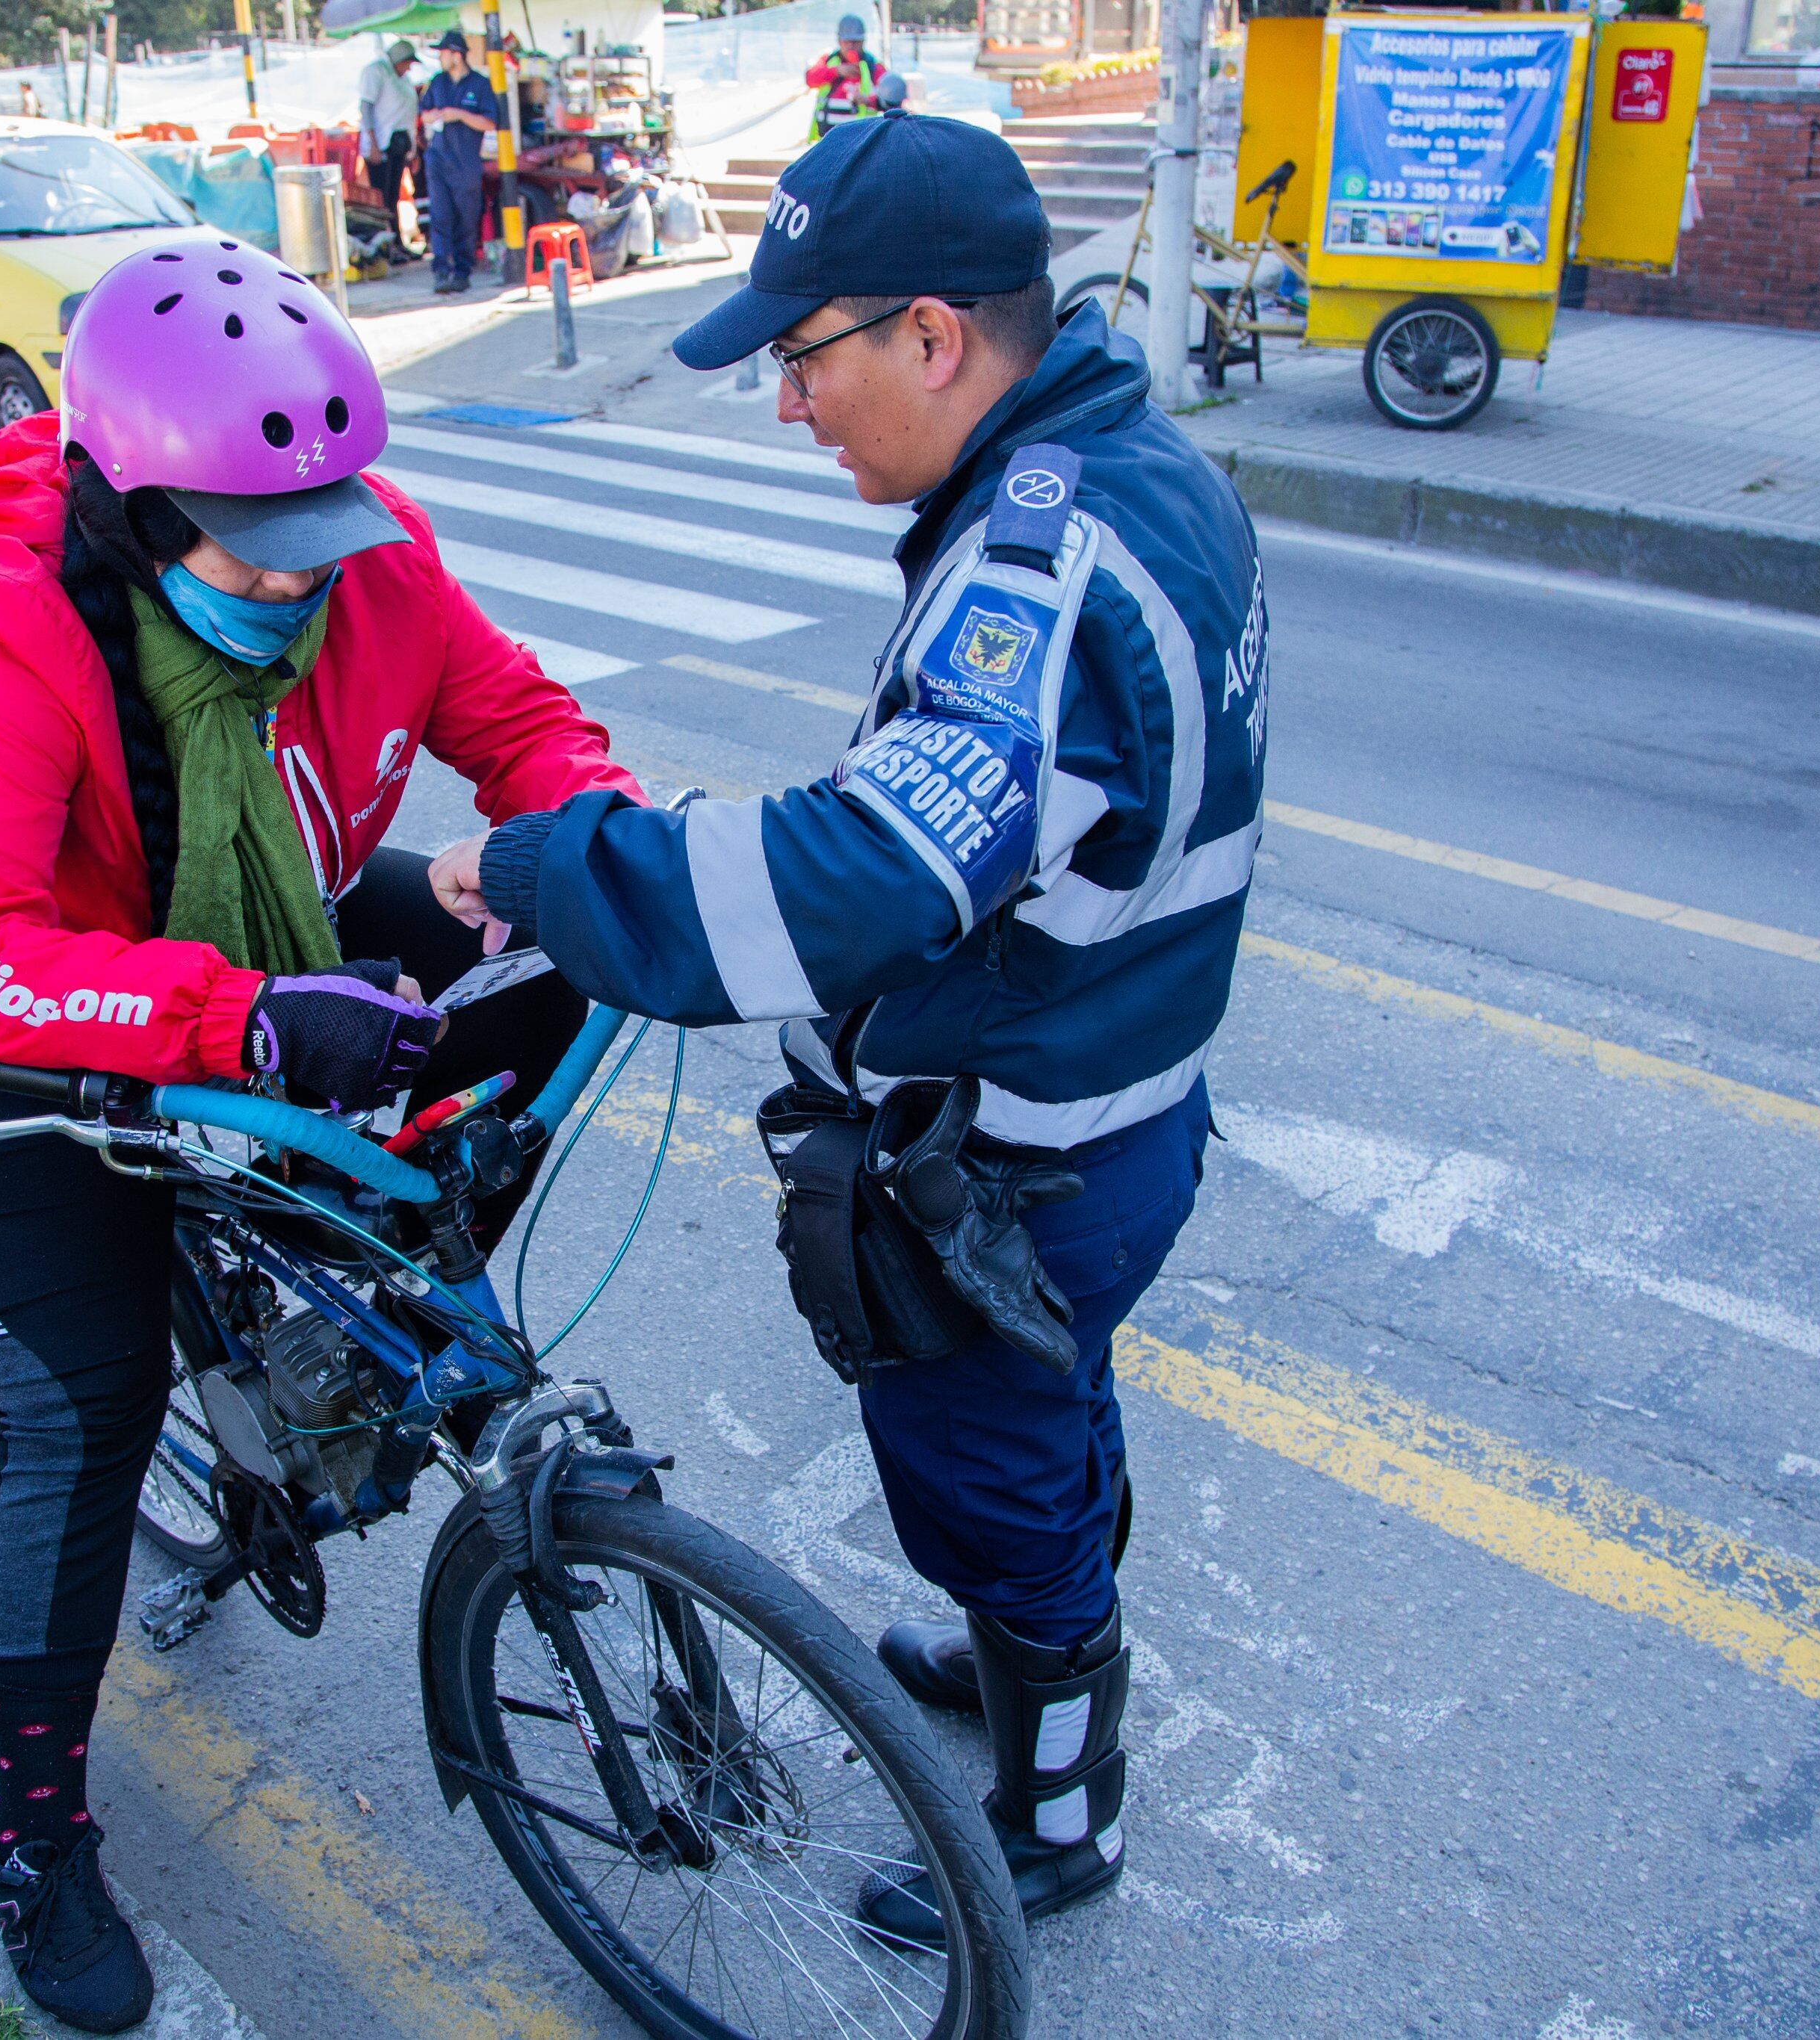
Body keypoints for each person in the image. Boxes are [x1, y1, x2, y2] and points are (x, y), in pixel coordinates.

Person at [430, 112, 1269, 1943]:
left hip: (1026, 1152)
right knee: (1048, 1419)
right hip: (1125, 1094)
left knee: (990, 1463)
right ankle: (1018, 1644)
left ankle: (1056, 1807)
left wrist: (568, 871)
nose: (793, 409)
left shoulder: (1036, 575)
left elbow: (871, 878)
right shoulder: (1130, 462)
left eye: (807, 362)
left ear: (933, 338)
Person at [0, 231, 638, 2034]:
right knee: (83, 1402)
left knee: (533, 990)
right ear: (135, 517)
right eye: (257, 552)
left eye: (327, 534)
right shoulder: (19, 626)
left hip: (244, 924)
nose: (305, 584)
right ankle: (38, 1832)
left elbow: (513, 722)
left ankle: (328, 1328)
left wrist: (607, 846)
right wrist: (248, 1020)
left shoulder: (357, 547)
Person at [413, 28, 501, 296]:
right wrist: (438, 115)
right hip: (438, 159)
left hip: (466, 162)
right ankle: (441, 271)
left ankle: (463, 271)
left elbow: (490, 122)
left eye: (444, 53)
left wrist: (459, 115)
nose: (440, 58)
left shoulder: (480, 84)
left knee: (466, 217)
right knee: (440, 216)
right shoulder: (437, 82)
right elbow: (423, 115)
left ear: (457, 55)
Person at [354, 37, 419, 248]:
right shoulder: (376, 71)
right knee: (382, 199)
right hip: (380, 146)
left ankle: (397, 242)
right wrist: (372, 143)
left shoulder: (403, 80)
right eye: (408, 63)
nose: (409, 68)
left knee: (393, 197)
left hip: (399, 145)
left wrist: (413, 149)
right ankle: (385, 243)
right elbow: (366, 108)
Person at [805, 13, 888, 135]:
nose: (850, 46)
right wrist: (837, 71)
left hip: (860, 139)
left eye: (855, 42)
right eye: (846, 41)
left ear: (863, 41)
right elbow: (810, 78)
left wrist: (869, 101)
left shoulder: (874, 67)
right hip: (828, 137)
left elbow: (891, 98)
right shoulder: (829, 61)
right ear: (839, 41)